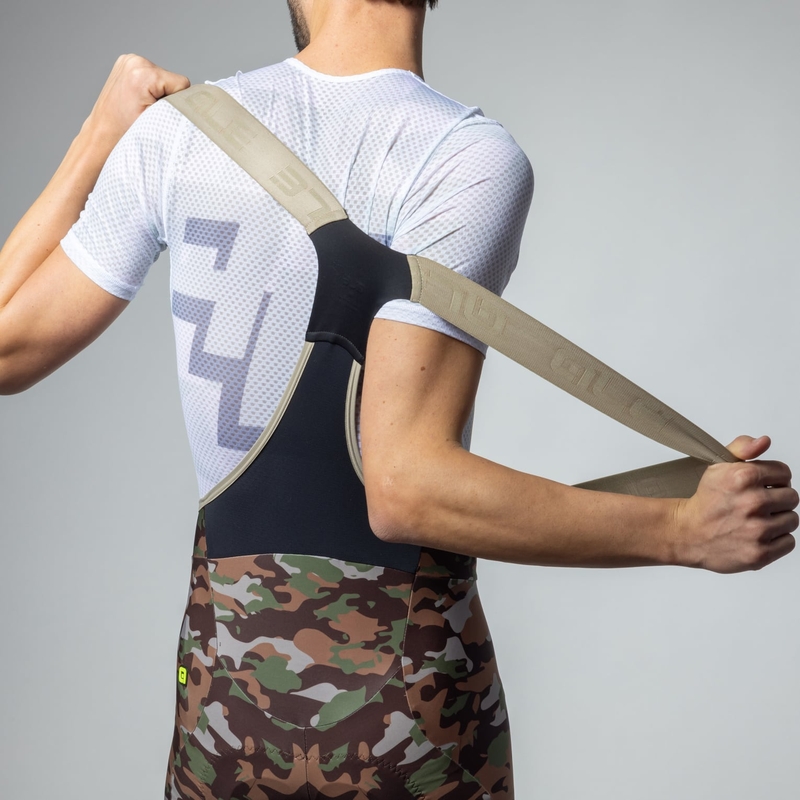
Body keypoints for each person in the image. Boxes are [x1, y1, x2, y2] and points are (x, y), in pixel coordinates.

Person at [0, 1, 797, 798]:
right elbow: (405, 486)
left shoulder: (175, 137)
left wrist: (98, 136)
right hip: (405, 724)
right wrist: (678, 530)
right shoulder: (463, 156)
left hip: (226, 715)